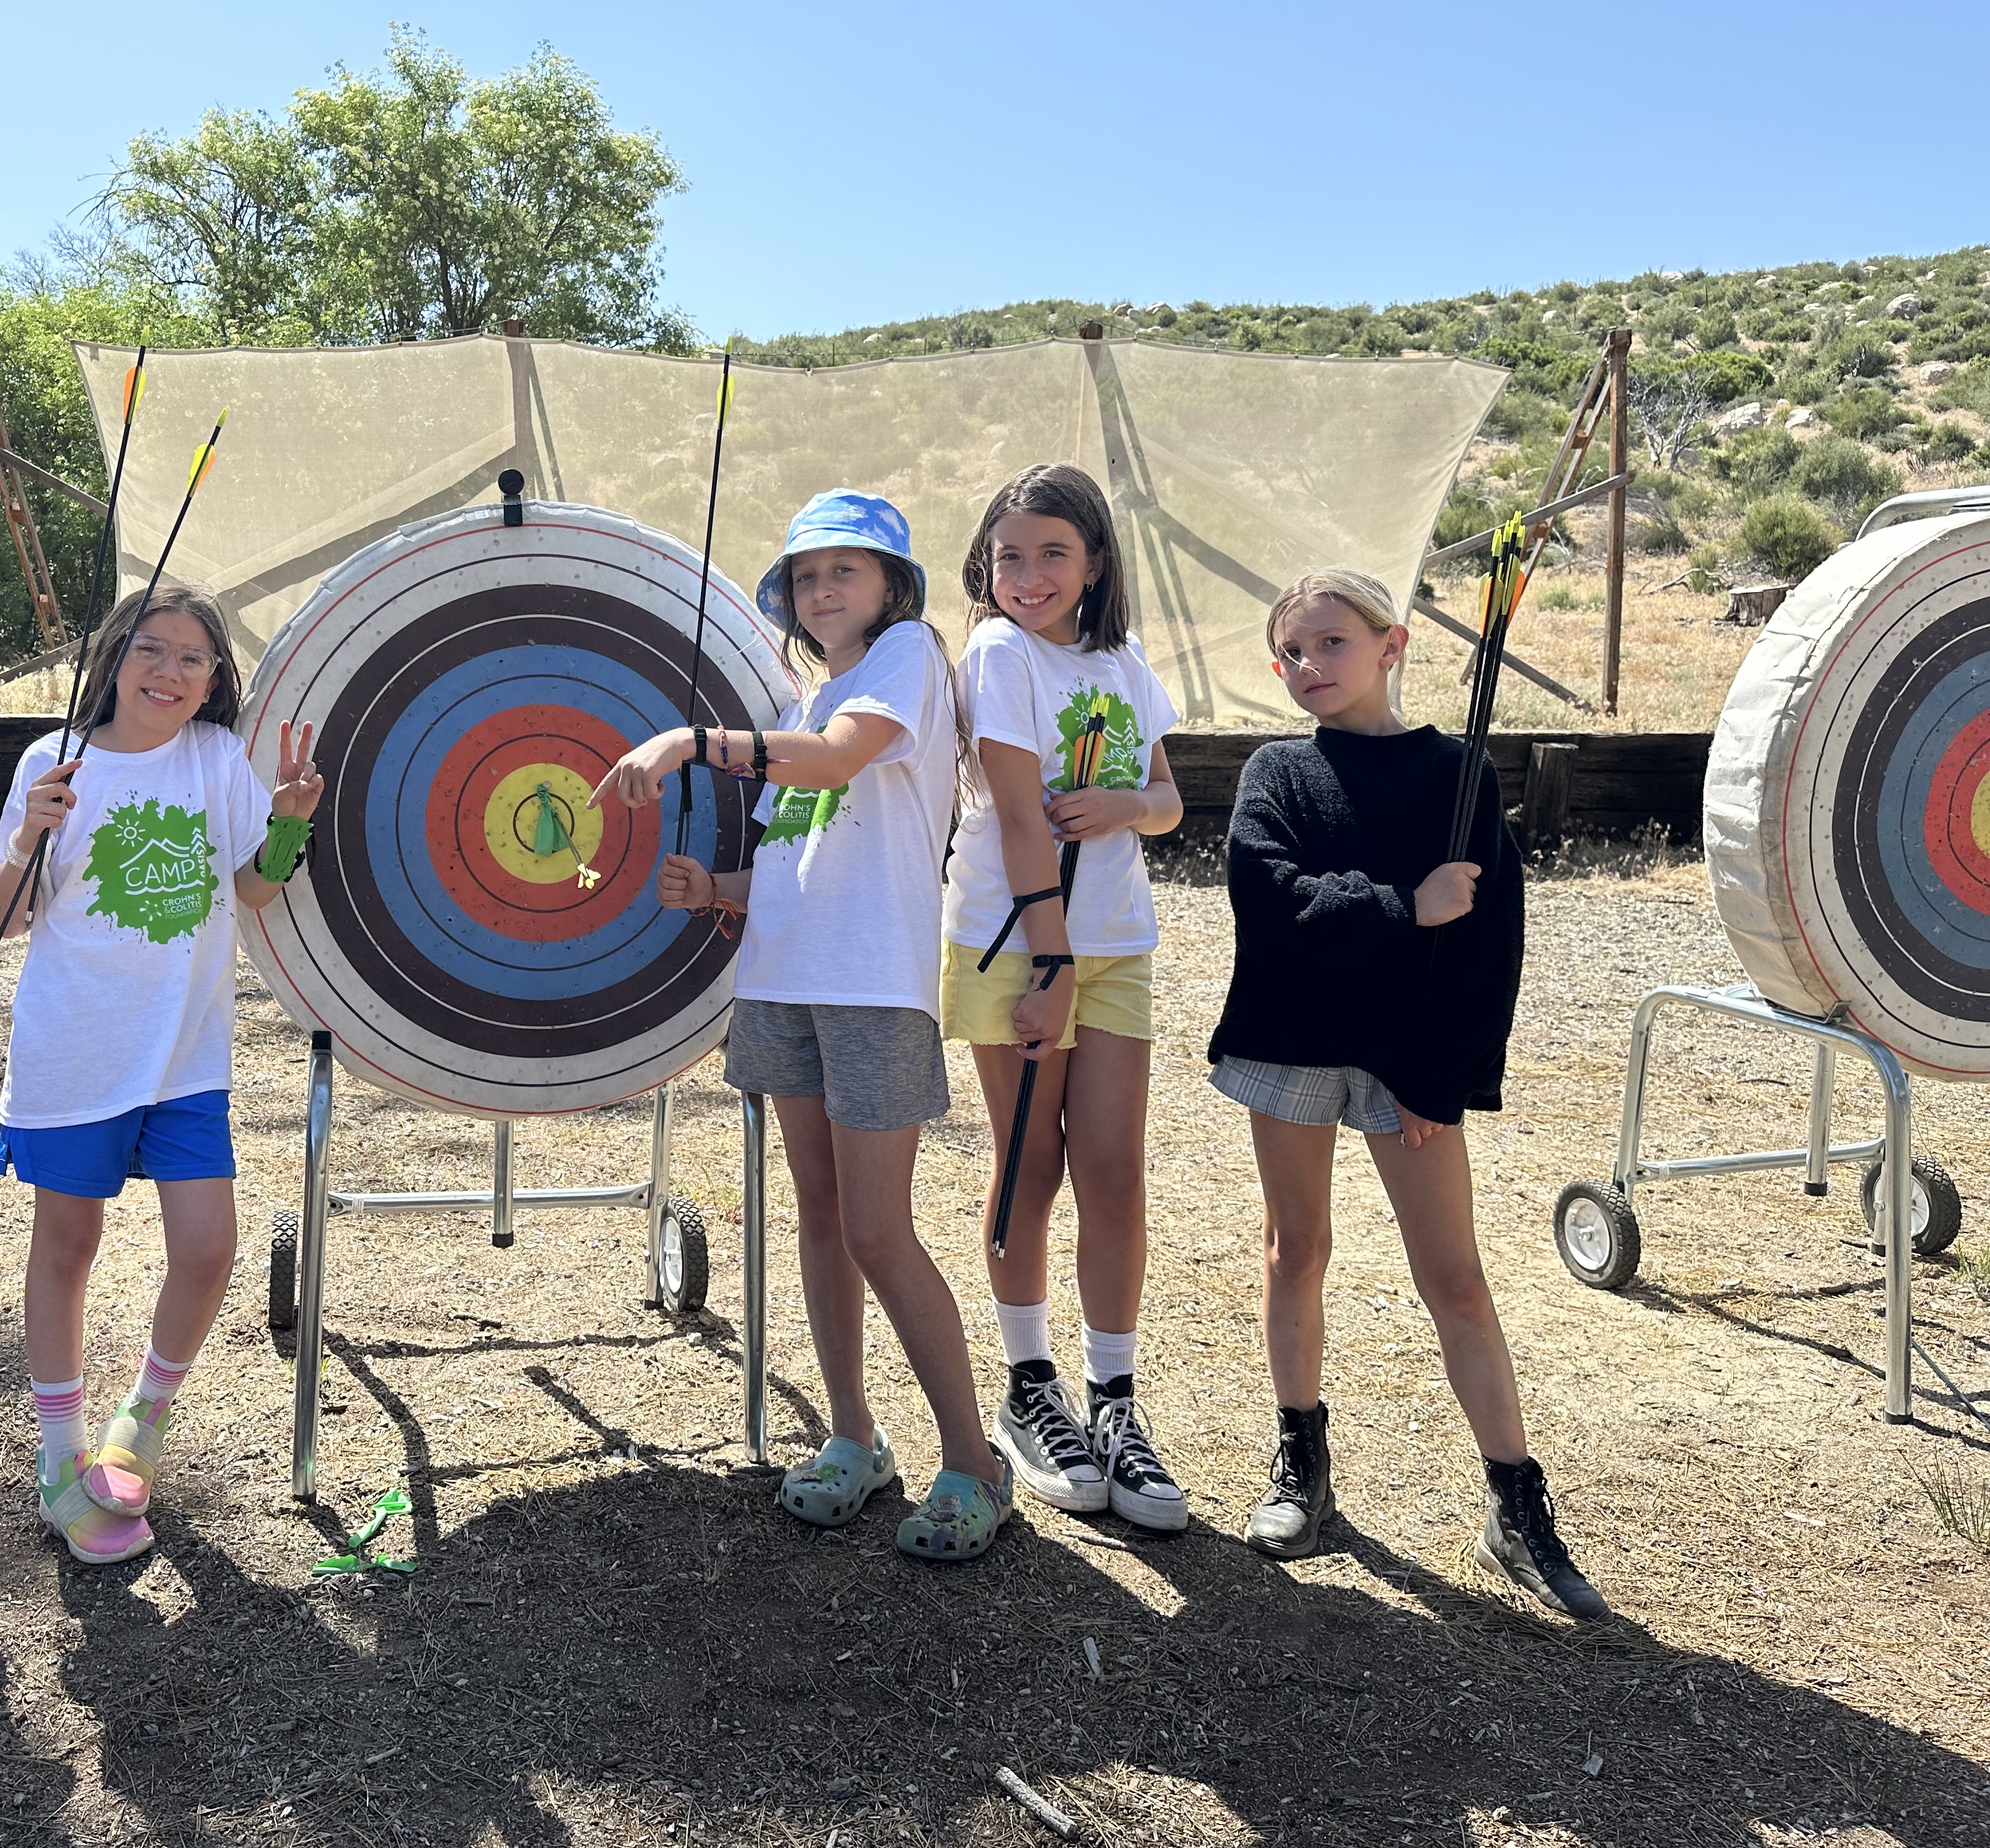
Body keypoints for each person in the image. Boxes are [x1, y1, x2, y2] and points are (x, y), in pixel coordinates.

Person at [596, 489, 1011, 1561]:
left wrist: (688, 742)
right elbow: (809, 851)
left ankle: (974, 1462)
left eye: (845, 570)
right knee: (821, 1221)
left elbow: (831, 763)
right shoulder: (813, 693)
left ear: (893, 585)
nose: (822, 589)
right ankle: (853, 1437)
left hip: (872, 990)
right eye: (806, 576)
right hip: (783, 983)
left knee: (877, 1231)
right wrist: (719, 888)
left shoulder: (907, 658)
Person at [1210, 566, 1605, 1619]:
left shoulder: (1456, 774)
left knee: (1456, 1279)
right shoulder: (1277, 771)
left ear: (1392, 646)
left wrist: (1444, 1073)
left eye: (1331, 642)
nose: (1309, 665)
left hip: (1408, 1063)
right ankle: (1301, 1465)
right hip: (1292, 1042)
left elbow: (1490, 948)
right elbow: (1268, 900)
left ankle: (1514, 1503)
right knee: (1297, 1251)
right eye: (1291, 652)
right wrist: (1402, 906)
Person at [0, 583, 320, 1564]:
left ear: (214, 680)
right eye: (151, 650)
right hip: (76, 1053)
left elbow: (252, 887)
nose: (170, 673)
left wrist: (289, 822)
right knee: (68, 1245)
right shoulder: (52, 762)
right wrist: (28, 835)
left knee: (209, 1247)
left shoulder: (216, 757)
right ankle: (60, 1455)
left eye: (193, 659)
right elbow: (4, 915)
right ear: (113, 659)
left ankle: (141, 1418)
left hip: (184, 1059)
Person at [940, 463, 1189, 1529]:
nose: (1029, 574)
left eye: (1053, 553)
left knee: (1115, 1173)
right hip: (1018, 947)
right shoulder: (998, 653)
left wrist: (1126, 804)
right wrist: (1051, 967)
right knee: (1029, 1168)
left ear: (1094, 565)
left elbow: (1168, 802)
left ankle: (1115, 1401)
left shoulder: (1125, 662)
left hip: (1118, 943)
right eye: (1010, 555)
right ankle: (1029, 1387)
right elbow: (1014, 817)